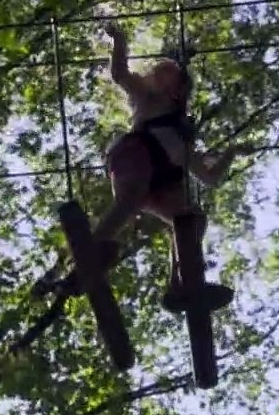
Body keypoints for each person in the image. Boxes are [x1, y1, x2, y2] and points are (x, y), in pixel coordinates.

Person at [81, 21, 242, 311]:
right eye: (159, 73)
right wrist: (120, 39)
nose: (165, 78)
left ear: (179, 89)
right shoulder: (146, 98)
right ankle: (91, 249)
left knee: (192, 219)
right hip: (136, 155)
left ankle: (179, 284)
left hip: (162, 178)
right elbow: (119, 74)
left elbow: (209, 178)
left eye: (172, 76)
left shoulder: (181, 138)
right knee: (129, 199)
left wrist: (230, 153)